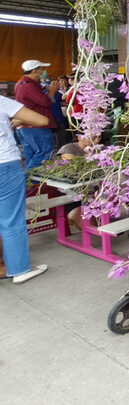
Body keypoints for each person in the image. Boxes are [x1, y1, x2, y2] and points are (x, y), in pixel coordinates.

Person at [0, 94, 50, 283]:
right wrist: (13, 119)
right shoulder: (2, 101)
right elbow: (41, 119)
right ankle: (19, 270)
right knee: (11, 221)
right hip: (4, 164)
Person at [14, 59, 60, 171]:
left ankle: (32, 183)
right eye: (42, 69)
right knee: (44, 153)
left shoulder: (22, 84)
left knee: (32, 154)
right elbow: (46, 102)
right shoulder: (28, 86)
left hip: (26, 127)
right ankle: (28, 179)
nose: (44, 72)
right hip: (35, 127)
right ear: (34, 71)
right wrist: (52, 93)